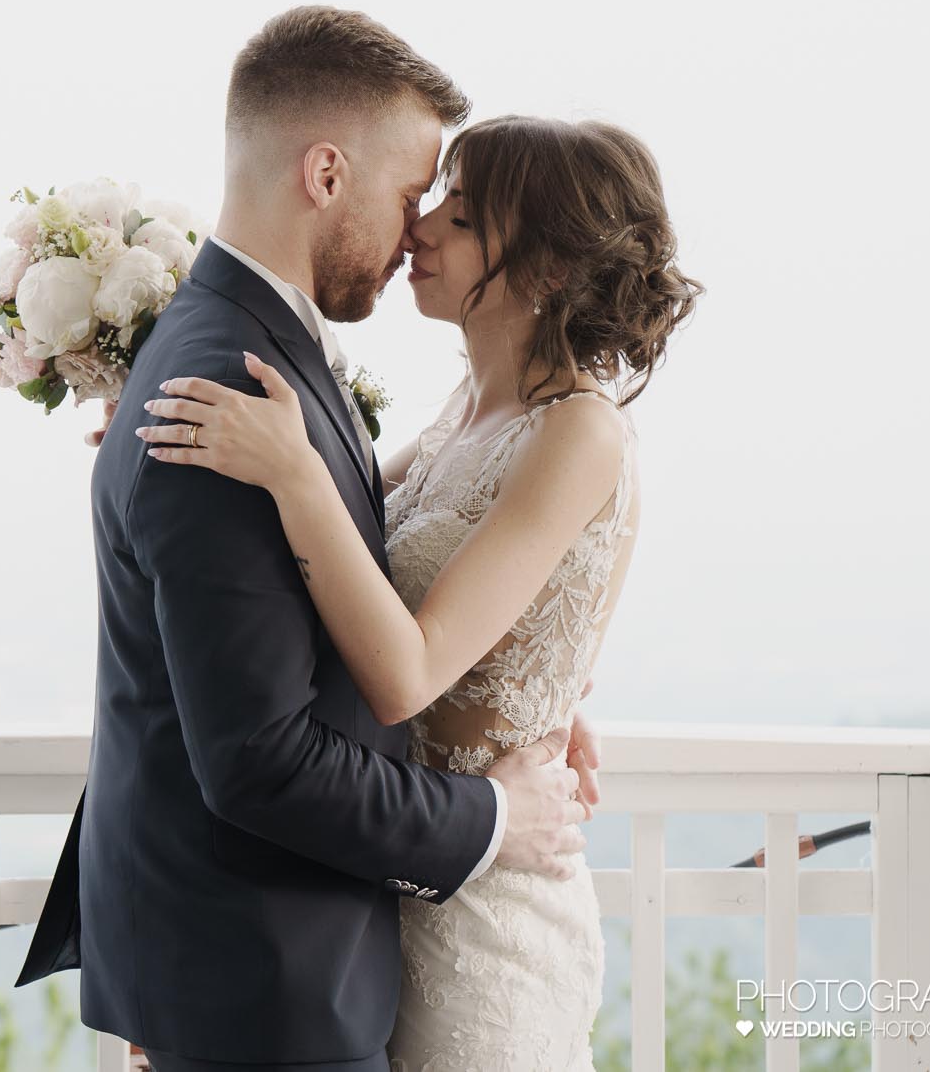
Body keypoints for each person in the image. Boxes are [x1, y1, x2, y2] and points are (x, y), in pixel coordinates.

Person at [15, 6, 600, 1072]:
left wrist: (533, 692)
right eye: (410, 189)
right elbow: (258, 761)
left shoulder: (249, 352)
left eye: (442, 207)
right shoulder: (224, 387)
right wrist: (490, 817)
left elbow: (393, 575)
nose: (416, 225)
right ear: (326, 173)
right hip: (267, 988)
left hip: (284, 967)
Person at [131, 111, 700, 1069]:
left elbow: (410, 673)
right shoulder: (462, 412)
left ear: (552, 267)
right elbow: (324, 565)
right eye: (435, 199)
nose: (421, 226)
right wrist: (165, 429)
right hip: (379, 889)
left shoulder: (579, 433)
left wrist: (296, 471)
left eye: (465, 217)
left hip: (490, 919)